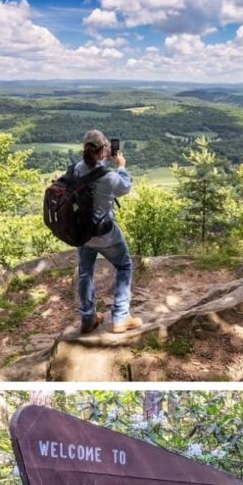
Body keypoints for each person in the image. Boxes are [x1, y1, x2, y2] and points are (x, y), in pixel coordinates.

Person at [74, 129, 143, 335]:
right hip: (105, 235)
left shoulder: (77, 169)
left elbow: (92, 170)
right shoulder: (110, 178)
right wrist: (121, 167)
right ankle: (121, 317)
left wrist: (104, 162)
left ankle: (88, 318)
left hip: (83, 234)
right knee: (124, 265)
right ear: (103, 150)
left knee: (85, 272)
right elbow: (125, 187)